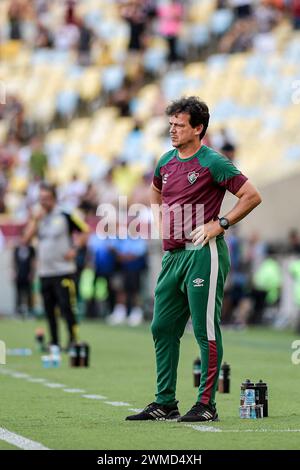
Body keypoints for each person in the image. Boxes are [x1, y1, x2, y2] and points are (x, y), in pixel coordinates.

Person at [126, 96, 261, 422]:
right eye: (171, 124)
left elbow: (251, 195)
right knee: (162, 326)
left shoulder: (212, 161)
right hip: (173, 257)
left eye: (180, 125)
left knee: (205, 329)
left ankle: (207, 404)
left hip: (204, 253)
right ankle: (165, 402)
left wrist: (220, 223)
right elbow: (155, 190)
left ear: (198, 128)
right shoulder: (166, 161)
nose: (172, 130)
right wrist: (162, 221)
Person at [23, 182, 89, 349]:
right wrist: (35, 221)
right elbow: (25, 239)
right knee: (48, 309)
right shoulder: (38, 218)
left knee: (66, 307)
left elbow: (85, 230)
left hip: (63, 270)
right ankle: (54, 341)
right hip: (45, 271)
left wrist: (75, 248)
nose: (43, 202)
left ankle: (73, 340)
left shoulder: (65, 214)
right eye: (41, 199)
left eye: (46, 198)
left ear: (53, 198)